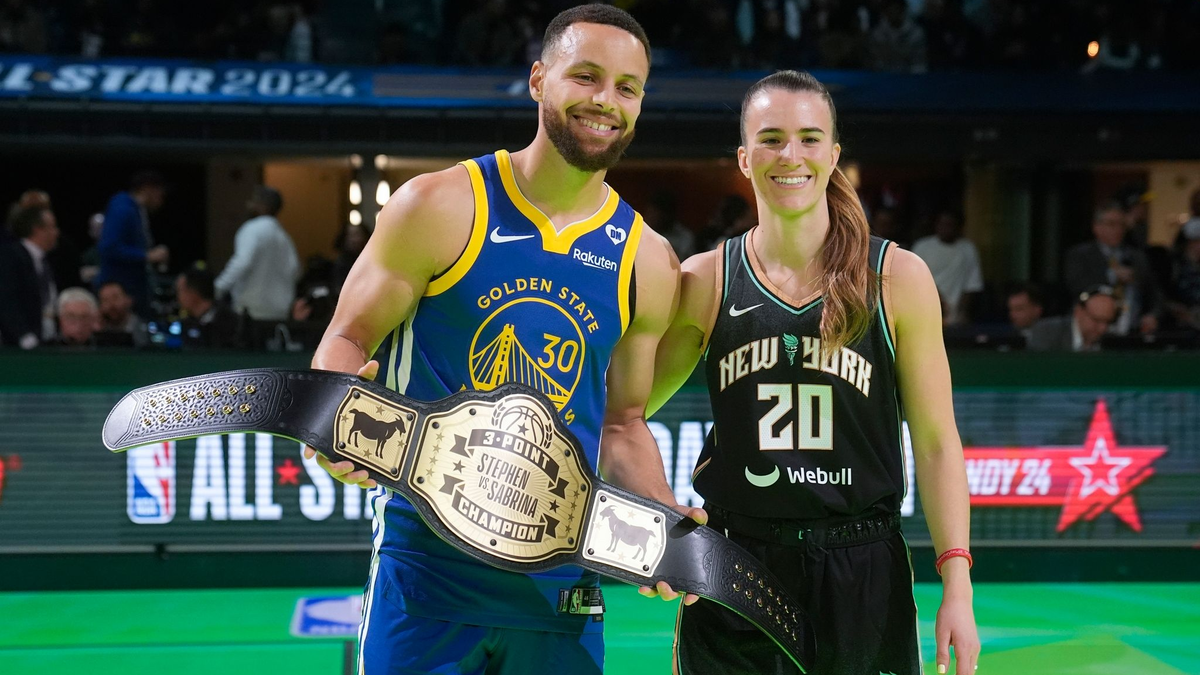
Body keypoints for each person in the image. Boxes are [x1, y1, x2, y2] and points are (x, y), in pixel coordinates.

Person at [305, 6, 701, 673]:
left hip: (559, 589)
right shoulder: (439, 205)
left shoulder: (647, 259)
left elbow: (624, 421)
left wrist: (660, 515)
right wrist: (330, 415)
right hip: (426, 577)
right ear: (539, 80)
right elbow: (347, 336)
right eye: (587, 77)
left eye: (627, 87)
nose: (605, 101)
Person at [649, 70, 979, 675]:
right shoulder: (706, 279)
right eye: (771, 139)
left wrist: (956, 581)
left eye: (808, 138)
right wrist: (652, 519)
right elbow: (625, 412)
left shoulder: (895, 279)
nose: (790, 155)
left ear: (833, 154)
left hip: (862, 568)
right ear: (745, 159)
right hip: (733, 565)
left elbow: (935, 442)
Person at [1063, 203, 1159, 337]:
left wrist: (1152, 315)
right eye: (1112, 224)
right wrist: (1112, 276)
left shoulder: (1137, 257)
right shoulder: (1080, 255)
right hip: (1092, 330)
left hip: (1133, 330)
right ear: (1097, 227)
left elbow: (1154, 293)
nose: (1118, 230)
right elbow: (1076, 285)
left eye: (1122, 225)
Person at [214, 186, 300, 322]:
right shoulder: (284, 236)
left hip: (251, 310)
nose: (249, 204)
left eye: (253, 201)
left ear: (262, 206)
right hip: (278, 311)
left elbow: (242, 261)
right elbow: (295, 270)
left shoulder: (252, 229)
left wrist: (218, 288)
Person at [96, 170, 169, 319]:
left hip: (132, 288)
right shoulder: (123, 209)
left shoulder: (136, 210)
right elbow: (109, 247)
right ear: (148, 189)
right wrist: (147, 256)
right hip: (121, 290)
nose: (161, 199)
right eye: (159, 193)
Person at [0, 204, 59, 349]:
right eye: (52, 227)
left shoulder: (43, 261)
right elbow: (5, 300)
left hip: (43, 340)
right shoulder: (12, 257)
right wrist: (23, 335)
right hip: (19, 347)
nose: (56, 232)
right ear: (37, 230)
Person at [911, 209, 983, 326]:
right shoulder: (922, 247)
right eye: (942, 224)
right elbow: (915, 282)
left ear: (959, 227)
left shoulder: (968, 249)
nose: (946, 229)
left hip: (956, 318)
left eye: (950, 225)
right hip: (926, 314)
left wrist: (962, 313)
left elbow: (972, 284)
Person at [1027, 285, 1118, 352]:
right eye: (1096, 320)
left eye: (1108, 322)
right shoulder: (1046, 332)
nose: (1103, 328)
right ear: (1078, 312)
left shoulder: (1113, 343)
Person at [176, 265, 240, 349]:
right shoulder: (186, 324)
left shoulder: (232, 325)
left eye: (180, 290)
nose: (178, 297)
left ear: (194, 292)